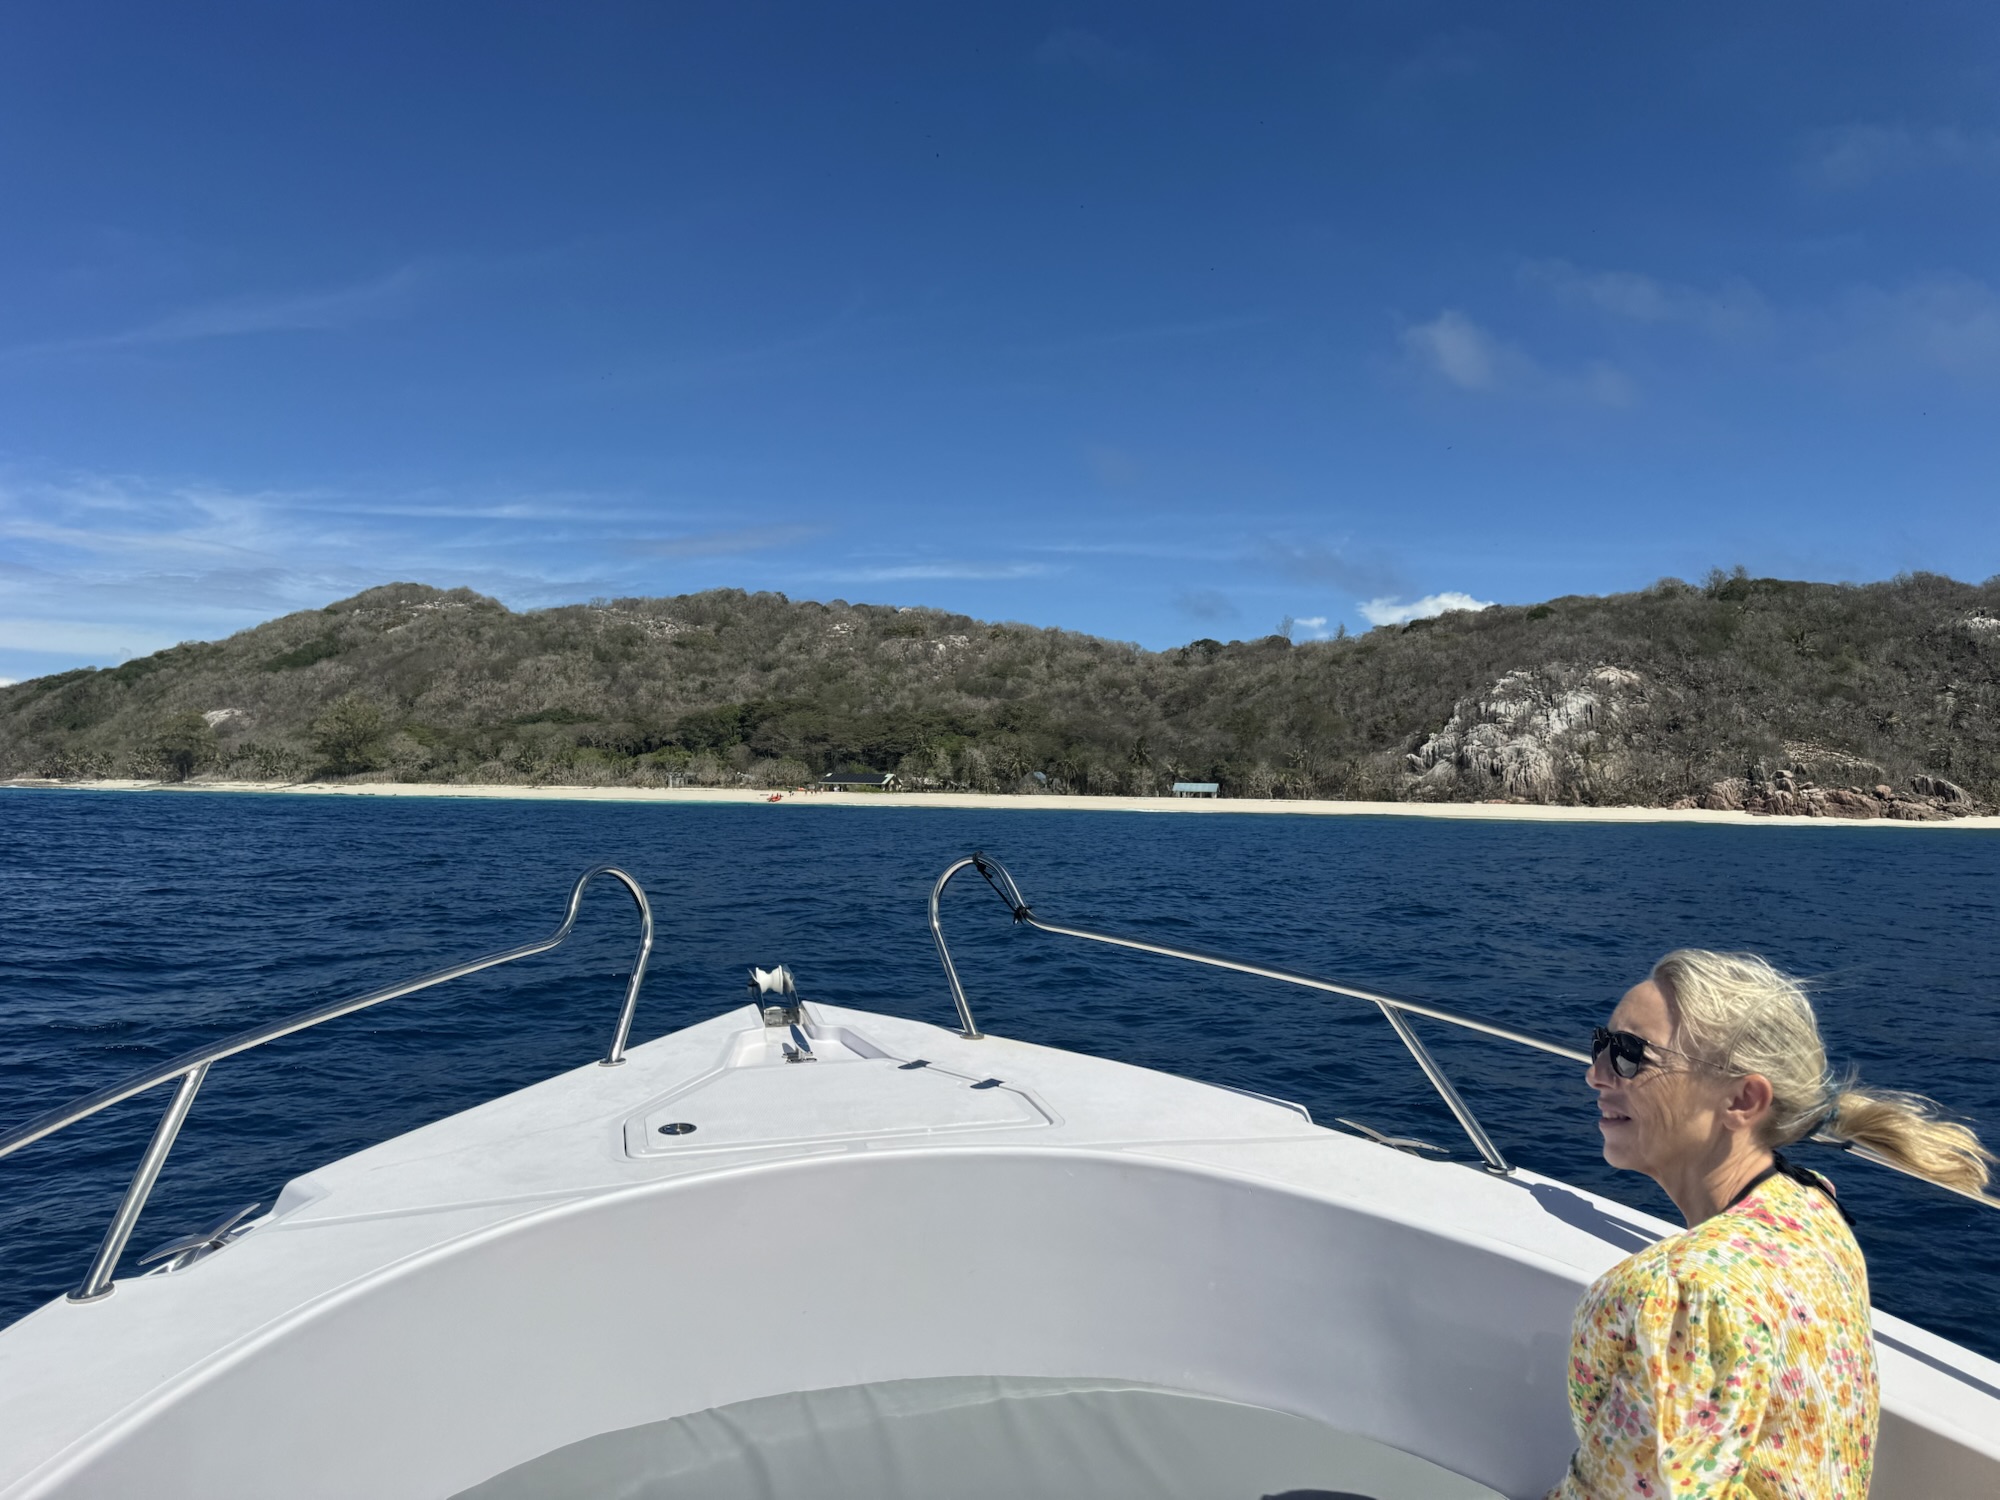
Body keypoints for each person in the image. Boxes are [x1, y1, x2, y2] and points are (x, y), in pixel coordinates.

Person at [1549, 949, 1995, 1499]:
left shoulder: (1681, 1293)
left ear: (1742, 1099)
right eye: (1602, 1043)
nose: (1594, 1074)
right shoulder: (1811, 1205)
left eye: (1630, 1055)